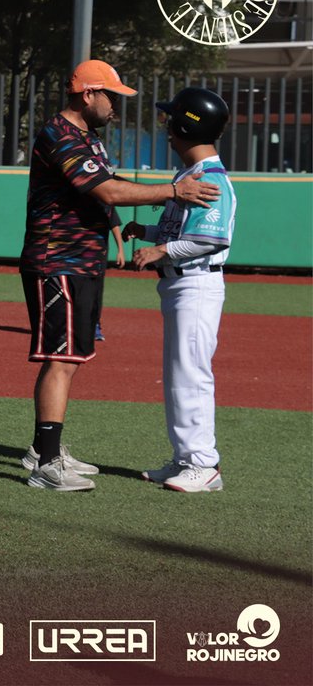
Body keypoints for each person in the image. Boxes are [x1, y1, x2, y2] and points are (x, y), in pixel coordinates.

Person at [18, 60, 220, 491]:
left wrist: (119, 227)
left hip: (82, 261)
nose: (116, 107)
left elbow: (107, 185)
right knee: (61, 358)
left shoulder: (87, 139)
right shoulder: (59, 134)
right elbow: (106, 190)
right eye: (111, 97)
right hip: (58, 261)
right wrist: (172, 190)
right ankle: (46, 464)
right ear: (88, 94)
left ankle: (45, 449)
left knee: (73, 357)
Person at [124, 87, 236, 493]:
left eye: (172, 120)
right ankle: (186, 457)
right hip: (181, 284)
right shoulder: (188, 177)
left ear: (186, 126)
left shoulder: (211, 179)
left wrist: (160, 248)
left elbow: (212, 239)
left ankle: (204, 465)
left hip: (197, 283)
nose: (167, 128)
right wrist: (150, 232)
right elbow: (185, 230)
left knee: (191, 376)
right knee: (178, 377)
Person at [94, 208, 125, 342]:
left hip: (98, 257)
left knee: (95, 292)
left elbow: (114, 225)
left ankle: (95, 325)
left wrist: (120, 250)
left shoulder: (104, 201)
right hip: (75, 258)